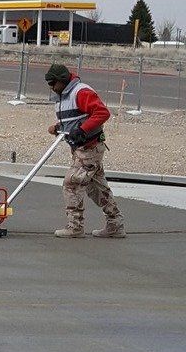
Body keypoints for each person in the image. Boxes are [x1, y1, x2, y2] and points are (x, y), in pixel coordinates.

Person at [45, 62, 126, 238]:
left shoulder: (81, 92)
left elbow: (102, 113)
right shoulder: (63, 97)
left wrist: (82, 131)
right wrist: (59, 127)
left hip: (90, 148)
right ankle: (115, 224)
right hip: (81, 149)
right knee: (96, 188)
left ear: (63, 80)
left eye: (53, 83)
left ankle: (75, 227)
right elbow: (75, 121)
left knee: (72, 183)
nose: (51, 87)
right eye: (49, 84)